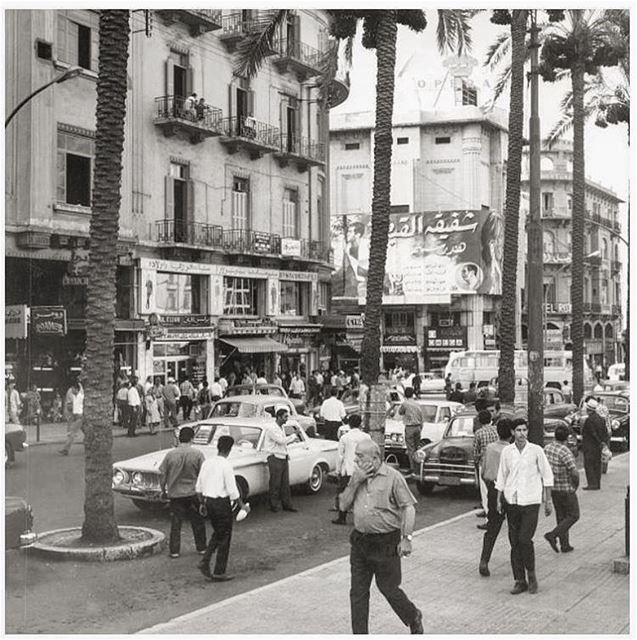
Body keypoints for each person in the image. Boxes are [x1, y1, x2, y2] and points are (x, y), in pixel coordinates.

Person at [338, 440, 423, 634]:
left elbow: (408, 508)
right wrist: (354, 482)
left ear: (375, 458)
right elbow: (342, 506)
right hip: (360, 542)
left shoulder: (393, 477)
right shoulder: (356, 477)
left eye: (360, 456)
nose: (355, 459)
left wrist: (406, 538)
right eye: (356, 455)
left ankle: (412, 615)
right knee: (358, 593)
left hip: (386, 542)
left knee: (388, 588)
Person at [495, 418, 554, 594]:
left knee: (524, 539)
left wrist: (548, 500)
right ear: (513, 432)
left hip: (531, 501)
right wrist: (499, 499)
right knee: (514, 543)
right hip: (512, 501)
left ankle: (532, 575)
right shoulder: (507, 452)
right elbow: (502, 476)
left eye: (524, 430)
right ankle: (519, 580)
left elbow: (547, 475)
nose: (521, 433)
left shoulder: (536, 451)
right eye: (518, 430)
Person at [196, 435, 249, 581]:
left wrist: (202, 503)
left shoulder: (207, 463)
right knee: (225, 535)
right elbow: (232, 490)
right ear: (230, 449)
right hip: (221, 503)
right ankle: (219, 570)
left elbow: (199, 487)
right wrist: (242, 505)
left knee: (218, 533)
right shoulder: (226, 465)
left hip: (209, 501)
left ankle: (205, 561)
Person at [159, 426, 207, 558]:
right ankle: (202, 547)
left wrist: (163, 490)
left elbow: (162, 474)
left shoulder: (170, 455)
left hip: (175, 494)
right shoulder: (197, 454)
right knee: (197, 522)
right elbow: (203, 474)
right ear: (192, 438)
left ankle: (174, 551)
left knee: (176, 524)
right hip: (192, 493)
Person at [478, 418, 512, 577]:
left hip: (493, 489)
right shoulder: (513, 450)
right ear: (512, 433)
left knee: (492, 527)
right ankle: (517, 562)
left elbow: (484, 472)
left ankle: (484, 560)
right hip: (510, 491)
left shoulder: (489, 448)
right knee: (514, 528)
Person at [544, 424, 580, 554]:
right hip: (566, 488)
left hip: (553, 488)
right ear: (567, 437)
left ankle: (565, 544)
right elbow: (574, 472)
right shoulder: (565, 451)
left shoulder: (547, 448)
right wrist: (575, 485)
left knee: (561, 516)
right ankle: (553, 535)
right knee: (574, 515)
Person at [332, 414, 371, 525]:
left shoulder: (345, 438)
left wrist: (338, 470)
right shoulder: (366, 437)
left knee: (345, 494)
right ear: (360, 424)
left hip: (348, 469)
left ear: (349, 424)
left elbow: (340, 456)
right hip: (362, 470)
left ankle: (342, 518)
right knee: (362, 494)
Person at [263, 408, 299, 513]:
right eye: (285, 417)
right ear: (278, 417)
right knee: (275, 483)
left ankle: (286, 504)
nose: (287, 419)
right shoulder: (272, 428)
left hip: (282, 456)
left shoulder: (281, 427)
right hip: (274, 457)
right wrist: (293, 435)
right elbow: (281, 441)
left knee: (285, 483)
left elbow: (283, 443)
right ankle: (273, 505)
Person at [473, 410, 498, 526]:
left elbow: (475, 452)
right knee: (496, 489)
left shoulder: (478, 433)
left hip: (484, 463)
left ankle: (489, 518)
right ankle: (496, 511)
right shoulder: (496, 430)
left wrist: (476, 461)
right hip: (497, 462)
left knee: (485, 491)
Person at [580, 397, 609, 490]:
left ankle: (591, 484)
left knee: (589, 465)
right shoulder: (601, 419)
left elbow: (591, 433)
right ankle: (597, 483)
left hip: (590, 446)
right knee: (597, 464)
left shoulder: (589, 420)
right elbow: (605, 432)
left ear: (589, 409)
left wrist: (598, 441)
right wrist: (603, 442)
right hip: (598, 447)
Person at [398, 387, 425, 476]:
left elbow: (400, 412)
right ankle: (418, 467)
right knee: (417, 447)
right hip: (418, 427)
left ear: (405, 395)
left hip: (409, 427)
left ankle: (413, 468)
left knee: (411, 449)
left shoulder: (405, 404)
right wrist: (421, 427)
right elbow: (421, 416)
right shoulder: (417, 404)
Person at [58, 381, 84, 456]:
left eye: (73, 389)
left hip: (80, 417)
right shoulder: (75, 397)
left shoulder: (80, 397)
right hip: (77, 417)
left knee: (72, 433)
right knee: (87, 431)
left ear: (76, 389)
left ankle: (66, 449)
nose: (71, 391)